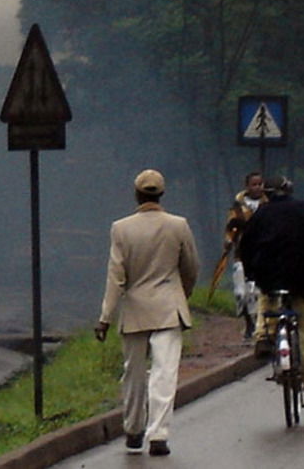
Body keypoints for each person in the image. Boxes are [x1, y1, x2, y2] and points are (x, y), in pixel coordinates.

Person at [95, 169, 199, 457]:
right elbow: (190, 267)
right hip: (168, 307)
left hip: (135, 309)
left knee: (134, 374)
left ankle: (133, 428)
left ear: (137, 194)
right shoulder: (178, 225)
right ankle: (159, 434)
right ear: (161, 194)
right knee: (165, 373)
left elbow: (115, 277)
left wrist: (105, 317)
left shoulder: (121, 228)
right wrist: (183, 293)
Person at [240, 175, 304, 406]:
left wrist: (252, 274)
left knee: (267, 302)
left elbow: (246, 246)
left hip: (270, 277)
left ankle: (263, 337)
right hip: (303, 278)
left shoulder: (261, 215)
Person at [223, 171, 267, 339]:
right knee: (241, 293)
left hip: (261, 254)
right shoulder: (238, 206)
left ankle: (257, 325)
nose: (257, 187)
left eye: (260, 184)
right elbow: (230, 227)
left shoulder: (267, 205)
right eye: (254, 184)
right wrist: (228, 241)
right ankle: (247, 321)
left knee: (256, 292)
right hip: (241, 254)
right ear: (247, 186)